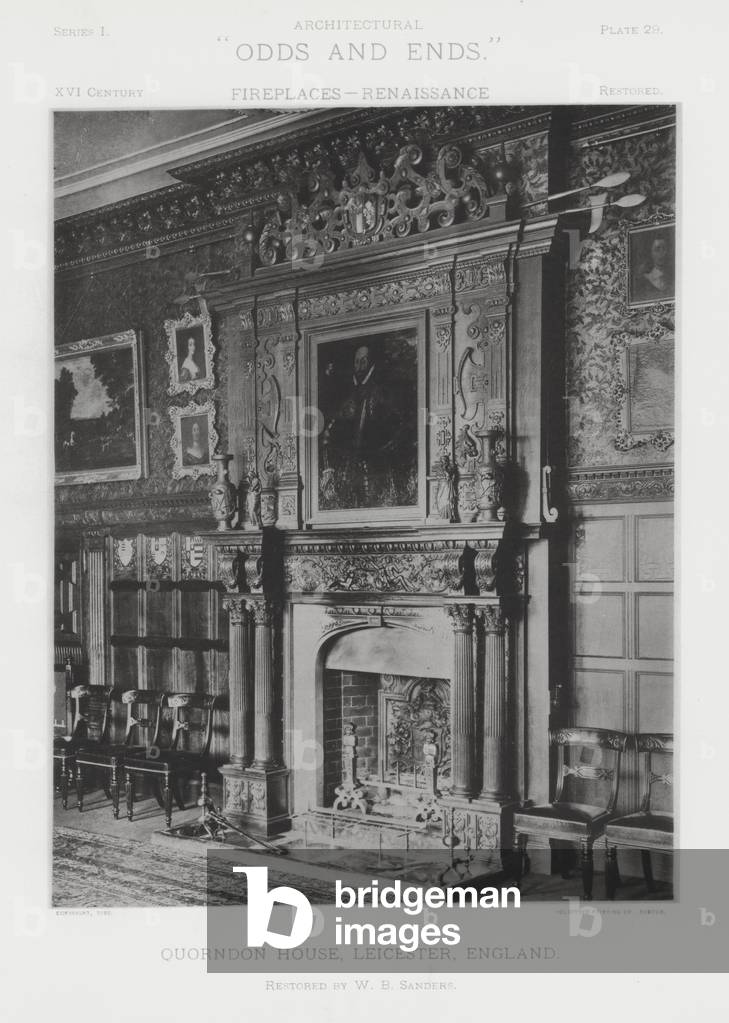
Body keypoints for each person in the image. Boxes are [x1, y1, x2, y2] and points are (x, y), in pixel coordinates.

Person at [633, 233, 673, 303]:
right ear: (651, 253)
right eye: (657, 249)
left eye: (664, 249)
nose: (662, 253)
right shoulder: (645, 279)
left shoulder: (673, 277)